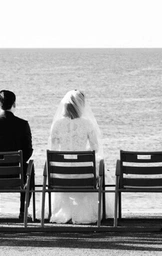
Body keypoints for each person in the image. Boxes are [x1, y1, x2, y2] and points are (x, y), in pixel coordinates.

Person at [47, 89, 104, 224]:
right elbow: (95, 148)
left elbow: (53, 150)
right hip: (83, 175)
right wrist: (84, 153)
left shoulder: (57, 124)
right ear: (81, 106)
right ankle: (87, 211)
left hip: (61, 176)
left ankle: (63, 211)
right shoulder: (87, 124)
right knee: (101, 171)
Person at [0, 89, 33, 220]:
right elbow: (28, 150)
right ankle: (23, 211)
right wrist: (19, 162)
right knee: (30, 171)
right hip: (17, 173)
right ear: (14, 104)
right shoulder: (23, 124)